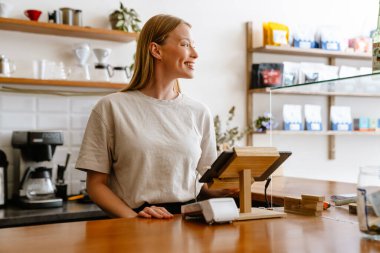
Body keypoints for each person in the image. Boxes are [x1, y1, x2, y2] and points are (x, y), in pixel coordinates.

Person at [75, 14, 237, 219]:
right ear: (156, 50)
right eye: (185, 44)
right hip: (135, 225)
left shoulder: (199, 112)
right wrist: (134, 219)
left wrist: (216, 191)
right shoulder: (111, 107)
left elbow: (200, 182)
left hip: (189, 223)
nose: (195, 54)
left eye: (194, 45)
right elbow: (96, 185)